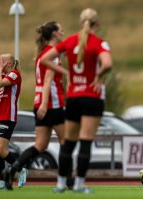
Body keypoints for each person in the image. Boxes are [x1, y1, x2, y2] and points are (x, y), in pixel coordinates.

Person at [41, 8, 112, 193]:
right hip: (92, 97)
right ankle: (79, 184)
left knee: (69, 142)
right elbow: (107, 64)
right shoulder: (99, 43)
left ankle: (60, 184)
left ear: (81, 23)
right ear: (97, 24)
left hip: (73, 97)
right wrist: (98, 76)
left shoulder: (69, 41)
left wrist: (68, 73)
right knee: (86, 141)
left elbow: (45, 59)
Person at [4, 21, 66, 190]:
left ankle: (13, 169)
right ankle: (66, 180)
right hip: (51, 103)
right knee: (66, 142)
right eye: (60, 30)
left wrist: (41, 104)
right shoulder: (52, 54)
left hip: (39, 101)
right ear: (54, 34)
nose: (63, 32)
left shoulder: (40, 55)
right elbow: (47, 81)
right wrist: (46, 105)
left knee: (40, 145)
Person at [0, 54, 26, 189]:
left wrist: (0, 69)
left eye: (1, 60)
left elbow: (1, 83)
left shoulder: (14, 74)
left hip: (8, 116)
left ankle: (21, 169)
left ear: (8, 63)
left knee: (1, 149)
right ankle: (1, 181)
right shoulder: (0, 75)